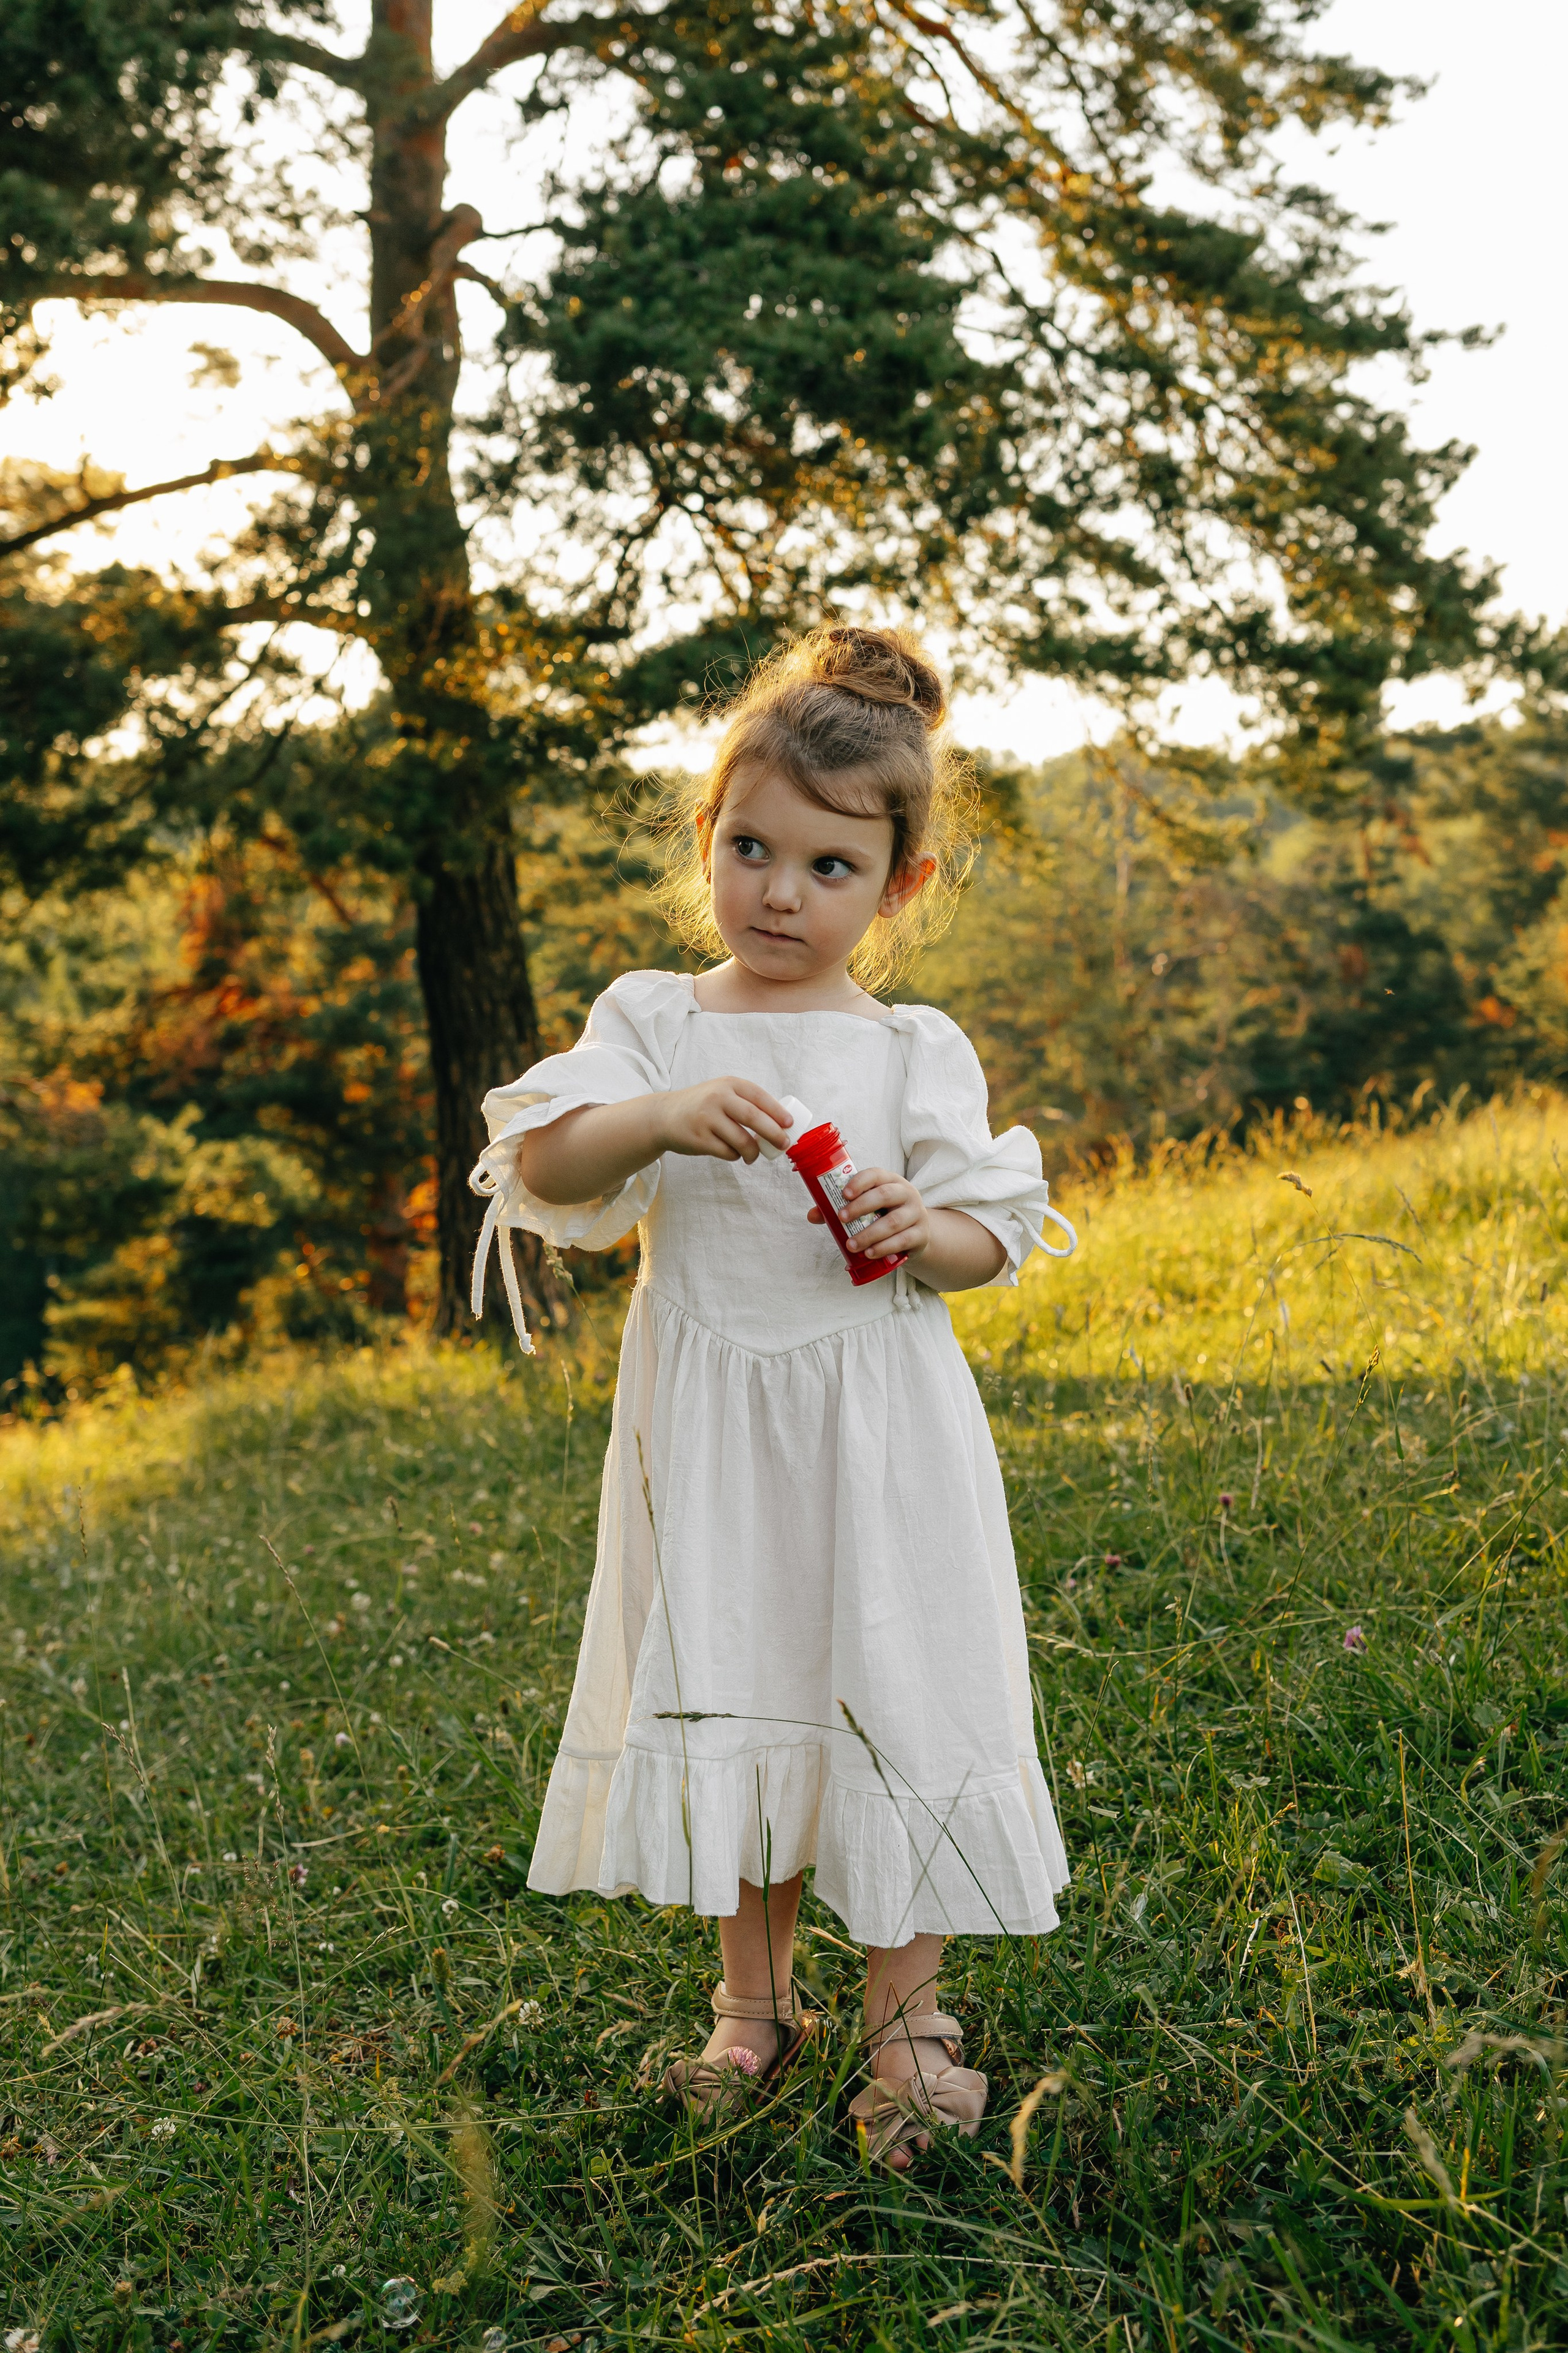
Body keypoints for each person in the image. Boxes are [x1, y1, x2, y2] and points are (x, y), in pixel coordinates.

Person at [470, 625, 1076, 2167]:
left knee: (887, 1683)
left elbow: (985, 1235)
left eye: (826, 865)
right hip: (712, 1427)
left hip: (877, 1433)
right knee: (734, 1675)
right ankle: (753, 2001)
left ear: (899, 886)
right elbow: (540, 1165)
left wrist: (913, 1227)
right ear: (707, 840)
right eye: (750, 849)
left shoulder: (911, 1048)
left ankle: (906, 2017)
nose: (779, 894)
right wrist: (657, 1113)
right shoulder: (656, 1021)